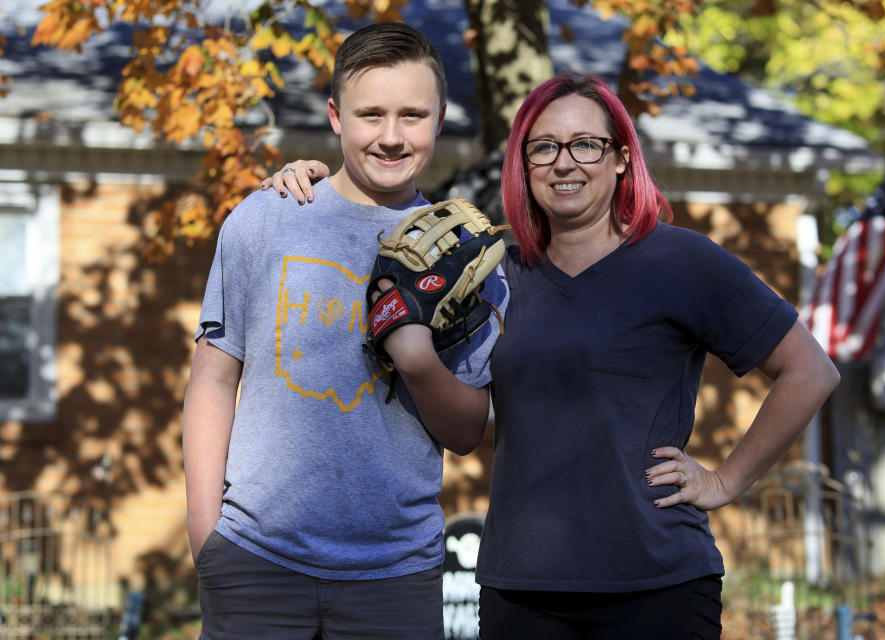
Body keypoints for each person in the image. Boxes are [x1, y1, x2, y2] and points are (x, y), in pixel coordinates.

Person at [266, 74, 840, 639]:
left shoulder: (681, 261)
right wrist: (315, 185)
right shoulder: (494, 274)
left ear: (620, 158)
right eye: (543, 148)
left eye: (586, 144)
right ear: (524, 165)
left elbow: (810, 370)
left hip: (656, 583)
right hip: (521, 590)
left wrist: (725, 481)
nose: (565, 163)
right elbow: (462, 423)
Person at [183, 22, 504, 640]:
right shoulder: (266, 218)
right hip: (255, 560)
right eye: (370, 114)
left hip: (396, 574)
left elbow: (467, 433)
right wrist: (208, 538)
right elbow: (213, 380)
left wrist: (418, 361)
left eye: (413, 115)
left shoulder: (466, 257)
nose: (390, 136)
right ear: (335, 116)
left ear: (440, 120)